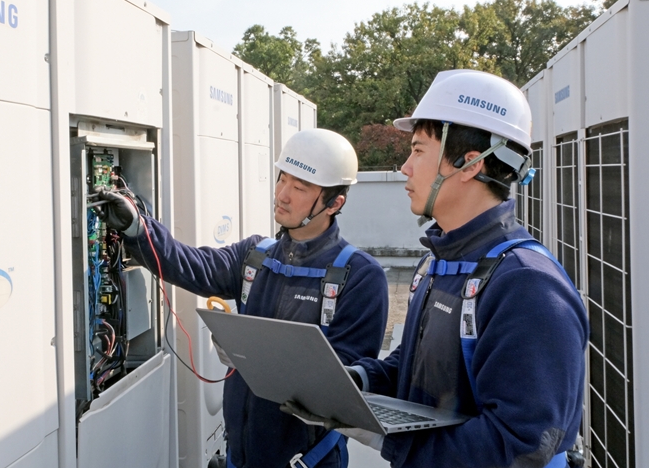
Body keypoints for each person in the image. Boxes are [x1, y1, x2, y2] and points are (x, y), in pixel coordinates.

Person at [287, 70, 588, 468]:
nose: (405, 167)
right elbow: (415, 367)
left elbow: (520, 447)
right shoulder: (439, 262)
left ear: (467, 165)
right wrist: (353, 383)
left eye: (418, 149)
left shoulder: (527, 285)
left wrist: (385, 439)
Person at [97, 128, 390, 468]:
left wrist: (254, 355)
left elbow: (343, 385)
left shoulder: (360, 276)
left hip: (306, 461)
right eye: (283, 179)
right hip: (241, 457)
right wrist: (137, 228)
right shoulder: (256, 255)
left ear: (334, 203)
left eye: (300, 188)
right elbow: (191, 265)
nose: (282, 194)